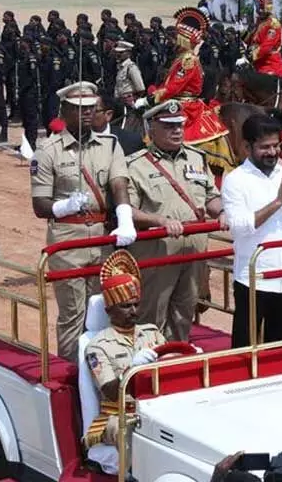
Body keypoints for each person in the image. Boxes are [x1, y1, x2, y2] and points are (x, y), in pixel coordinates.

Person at [31, 81, 137, 360]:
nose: (87, 114)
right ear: (63, 111)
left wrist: (125, 218)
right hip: (68, 239)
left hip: (102, 237)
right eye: (80, 109)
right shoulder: (48, 150)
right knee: (73, 314)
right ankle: (70, 370)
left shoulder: (109, 144)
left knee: (103, 306)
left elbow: (118, 184)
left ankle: (100, 364)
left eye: (91, 108)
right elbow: (39, 206)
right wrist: (64, 206)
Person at [126, 100, 224, 340]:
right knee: (152, 314)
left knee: (184, 310)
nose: (178, 131)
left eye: (180, 125)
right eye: (169, 126)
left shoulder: (196, 157)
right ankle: (150, 366)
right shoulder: (135, 165)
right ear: (152, 129)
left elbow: (210, 196)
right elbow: (127, 210)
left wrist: (222, 212)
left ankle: (177, 360)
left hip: (194, 252)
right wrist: (159, 220)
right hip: (157, 253)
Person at [221, 114, 282, 348]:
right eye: (265, 147)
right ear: (247, 147)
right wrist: (277, 202)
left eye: (276, 146)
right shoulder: (235, 180)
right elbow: (239, 227)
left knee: (279, 346)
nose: (272, 153)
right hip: (252, 278)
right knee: (245, 347)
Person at [83, 250, 166, 450]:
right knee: (133, 434)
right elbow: (111, 392)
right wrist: (131, 370)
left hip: (154, 406)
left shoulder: (151, 333)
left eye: (136, 305)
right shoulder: (97, 346)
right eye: (126, 306)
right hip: (119, 413)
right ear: (109, 310)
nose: (134, 311)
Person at [146, 8, 228, 146]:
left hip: (184, 104)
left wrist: (154, 97)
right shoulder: (182, 57)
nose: (175, 41)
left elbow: (175, 86)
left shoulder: (188, 60)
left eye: (177, 38)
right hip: (177, 100)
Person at [241, 0, 282, 76]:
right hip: (257, 63)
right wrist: (243, 32)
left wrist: (250, 57)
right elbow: (252, 41)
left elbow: (266, 47)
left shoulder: (273, 24)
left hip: (269, 64)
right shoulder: (261, 22)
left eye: (259, 8)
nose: (258, 10)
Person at [112, 41, 145, 110]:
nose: (118, 54)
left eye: (121, 53)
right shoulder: (121, 67)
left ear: (128, 53)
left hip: (129, 103)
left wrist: (132, 99)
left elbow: (141, 88)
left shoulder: (131, 67)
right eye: (117, 52)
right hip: (119, 102)